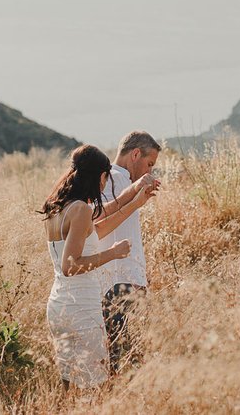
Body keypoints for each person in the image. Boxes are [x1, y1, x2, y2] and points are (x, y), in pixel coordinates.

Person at [41, 144, 158, 389]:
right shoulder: (81, 209)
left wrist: (135, 202)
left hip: (58, 305)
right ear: (99, 176)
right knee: (96, 384)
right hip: (80, 306)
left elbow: (100, 226)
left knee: (70, 383)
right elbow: (70, 266)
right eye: (106, 178)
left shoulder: (58, 207)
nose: (105, 186)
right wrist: (112, 253)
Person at [96, 131, 162, 374]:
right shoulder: (110, 178)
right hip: (114, 282)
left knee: (130, 355)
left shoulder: (122, 182)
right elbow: (97, 220)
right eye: (149, 164)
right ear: (135, 154)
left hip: (125, 281)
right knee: (123, 360)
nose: (150, 171)